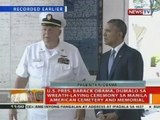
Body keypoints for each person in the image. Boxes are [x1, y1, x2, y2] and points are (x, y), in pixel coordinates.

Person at [9, 12, 90, 120]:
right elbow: (21, 79)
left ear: (59, 32)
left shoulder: (72, 51)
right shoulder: (31, 50)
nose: (47, 33)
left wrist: (81, 108)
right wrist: (13, 105)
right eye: (44, 29)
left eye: (51, 29)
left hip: (64, 112)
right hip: (36, 111)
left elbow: (82, 81)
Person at [95, 19, 144, 120]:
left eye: (108, 31)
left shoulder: (133, 55)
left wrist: (118, 113)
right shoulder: (104, 57)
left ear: (119, 34)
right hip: (105, 116)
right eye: (104, 31)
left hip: (126, 116)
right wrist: (99, 111)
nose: (104, 34)